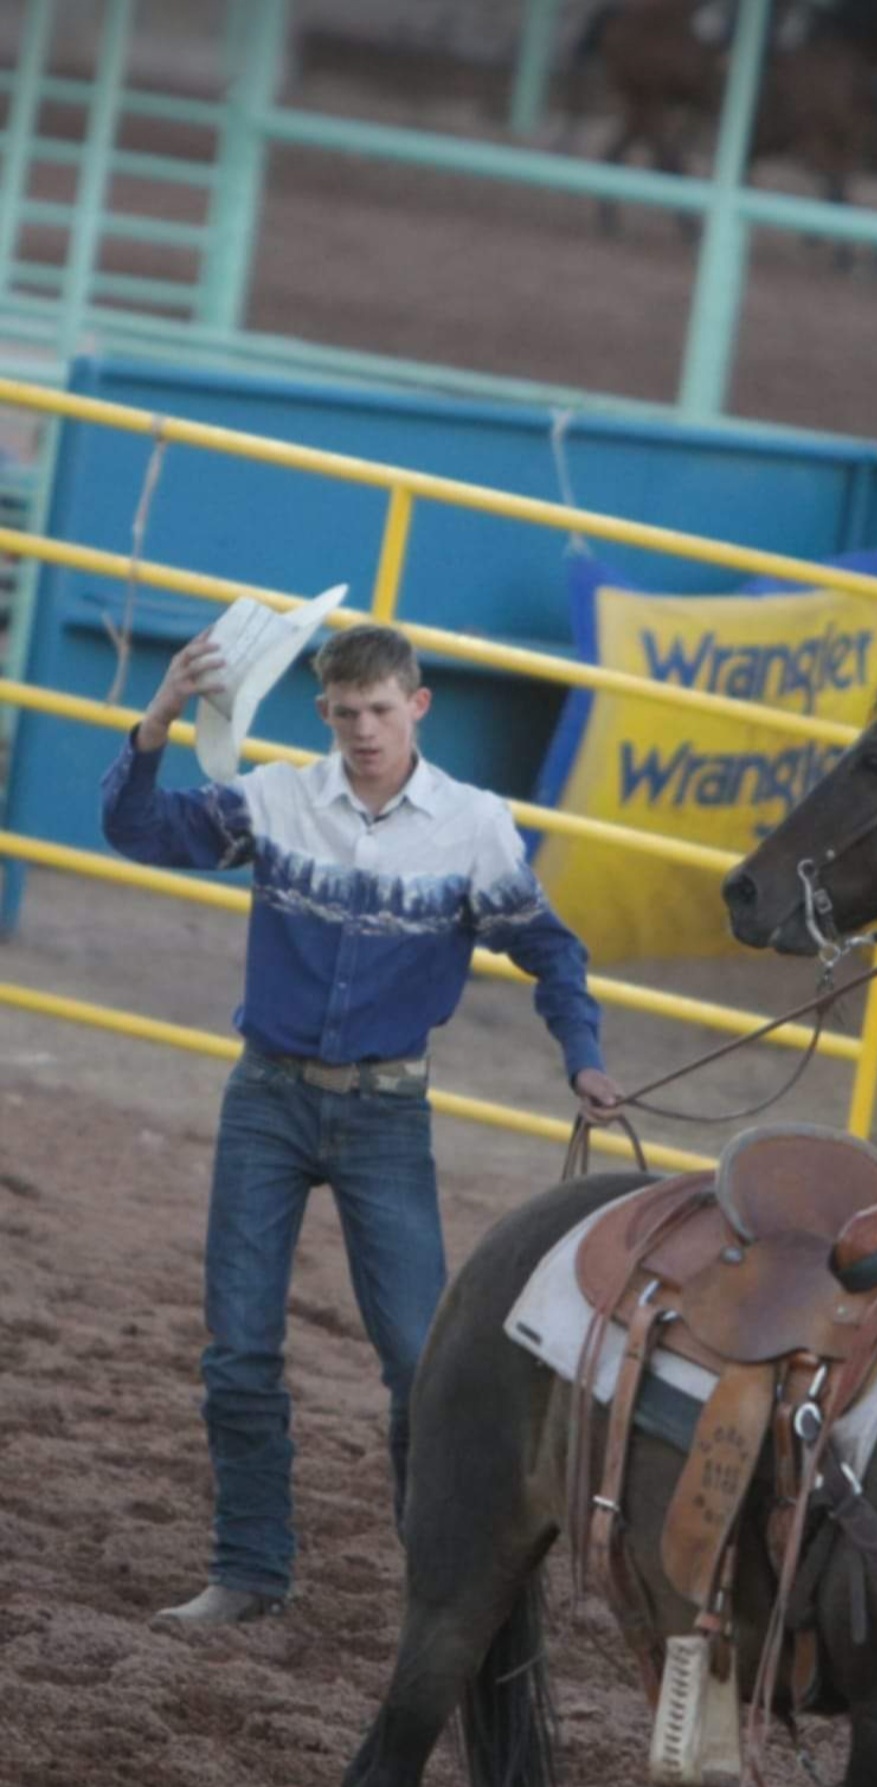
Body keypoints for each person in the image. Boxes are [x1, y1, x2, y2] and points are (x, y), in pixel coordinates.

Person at [101, 620, 624, 1628]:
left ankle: (438, 1572)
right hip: (268, 1096)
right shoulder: (277, 798)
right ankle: (250, 1567)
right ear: (326, 713)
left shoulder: (473, 826)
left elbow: (550, 950)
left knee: (421, 1359)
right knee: (239, 1346)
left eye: (381, 710)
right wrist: (159, 714)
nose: (365, 730)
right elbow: (139, 828)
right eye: (346, 713)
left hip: (386, 1111)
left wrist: (584, 1056)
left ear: (416, 706)